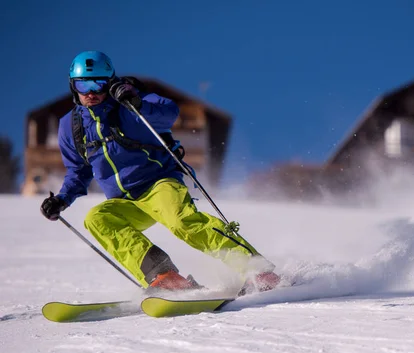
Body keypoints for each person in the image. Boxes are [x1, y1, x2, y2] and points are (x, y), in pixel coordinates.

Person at [40, 50, 280, 293]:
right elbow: (78, 170)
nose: (91, 92)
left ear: (110, 82)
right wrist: (62, 199)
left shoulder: (127, 106)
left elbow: (169, 113)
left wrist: (137, 101)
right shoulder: (71, 127)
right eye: (83, 84)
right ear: (73, 86)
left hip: (159, 184)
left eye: (98, 83)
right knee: (97, 219)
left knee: (181, 222)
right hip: (126, 201)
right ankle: (165, 276)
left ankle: (256, 270)